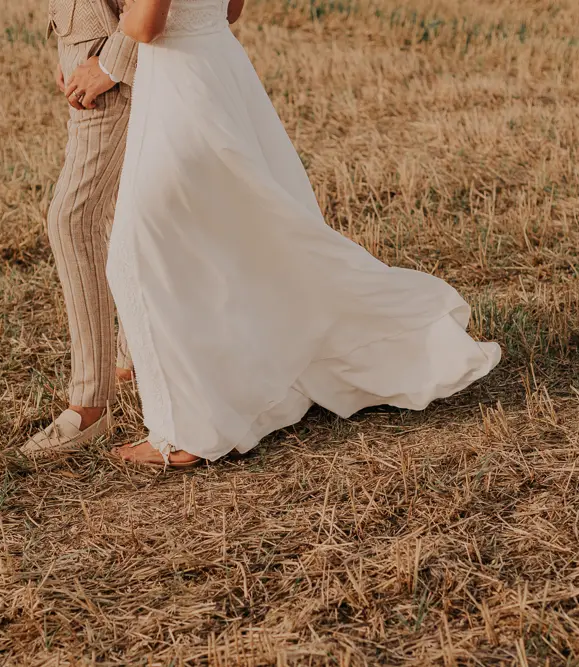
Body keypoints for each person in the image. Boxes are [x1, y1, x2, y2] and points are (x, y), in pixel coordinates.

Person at [106, 0, 501, 467]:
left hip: (180, 84)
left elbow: (146, 26)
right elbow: (231, 9)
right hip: (220, 68)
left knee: (138, 251)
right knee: (230, 234)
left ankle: (185, 430)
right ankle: (230, 385)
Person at [21, 0, 140, 458]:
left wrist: (109, 63)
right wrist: (67, 51)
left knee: (71, 219)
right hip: (91, 63)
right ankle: (133, 358)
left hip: (110, 80)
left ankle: (90, 404)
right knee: (119, 209)